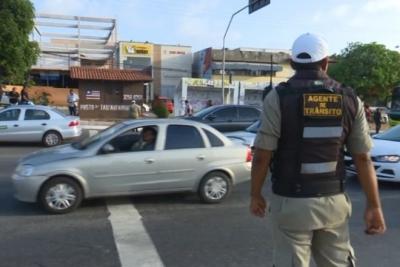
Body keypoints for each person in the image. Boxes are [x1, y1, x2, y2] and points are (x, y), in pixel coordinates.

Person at [250, 33, 386, 267]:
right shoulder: (349, 98)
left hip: (291, 201)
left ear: (292, 64)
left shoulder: (278, 97)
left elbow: (263, 155)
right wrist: (374, 206)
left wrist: (255, 195)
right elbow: (363, 158)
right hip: (333, 203)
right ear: (325, 63)